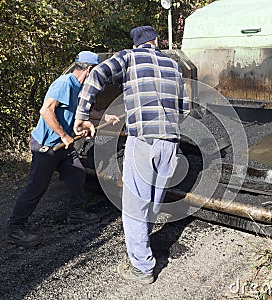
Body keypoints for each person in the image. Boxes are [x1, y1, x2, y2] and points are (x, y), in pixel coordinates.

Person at [74, 26, 190, 284]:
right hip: (170, 143)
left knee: (134, 206)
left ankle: (142, 267)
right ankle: (143, 246)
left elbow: (95, 77)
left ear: (136, 44)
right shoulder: (174, 66)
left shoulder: (128, 57)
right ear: (156, 41)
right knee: (153, 202)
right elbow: (185, 109)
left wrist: (82, 116)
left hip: (143, 141)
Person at [8, 51, 103, 248]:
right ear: (89, 70)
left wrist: (100, 118)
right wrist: (64, 135)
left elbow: (79, 112)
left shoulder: (79, 87)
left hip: (64, 147)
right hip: (47, 146)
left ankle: (76, 213)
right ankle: (16, 227)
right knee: (37, 186)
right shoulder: (64, 83)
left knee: (77, 173)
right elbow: (46, 111)